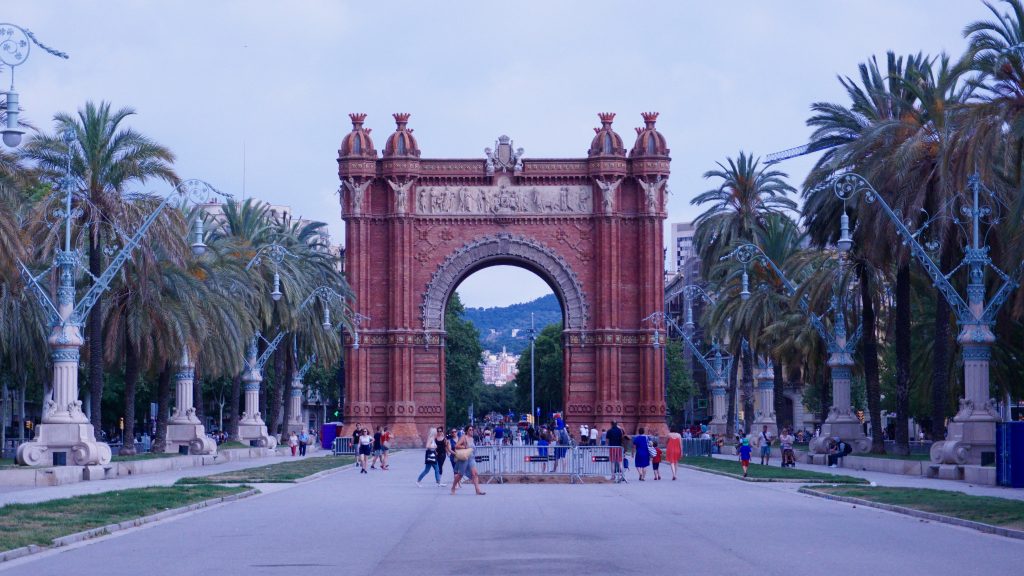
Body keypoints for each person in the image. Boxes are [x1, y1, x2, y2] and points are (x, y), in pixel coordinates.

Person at [451, 425, 486, 496]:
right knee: (460, 475)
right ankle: (453, 487)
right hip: (465, 458)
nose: (472, 431)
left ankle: (478, 490)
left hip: (471, 458)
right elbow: (456, 445)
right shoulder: (464, 437)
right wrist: (464, 446)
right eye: (470, 430)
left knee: (475, 473)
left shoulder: (472, 438)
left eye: (472, 429)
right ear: (467, 431)